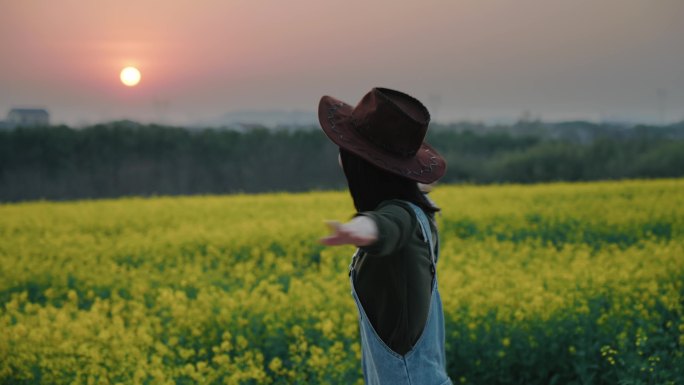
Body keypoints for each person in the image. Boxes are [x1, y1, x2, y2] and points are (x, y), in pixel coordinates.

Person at [318, 87, 452, 385]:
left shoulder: (400, 216)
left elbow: (386, 226)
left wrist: (359, 229)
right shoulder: (420, 213)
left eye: (346, 148)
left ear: (362, 165)